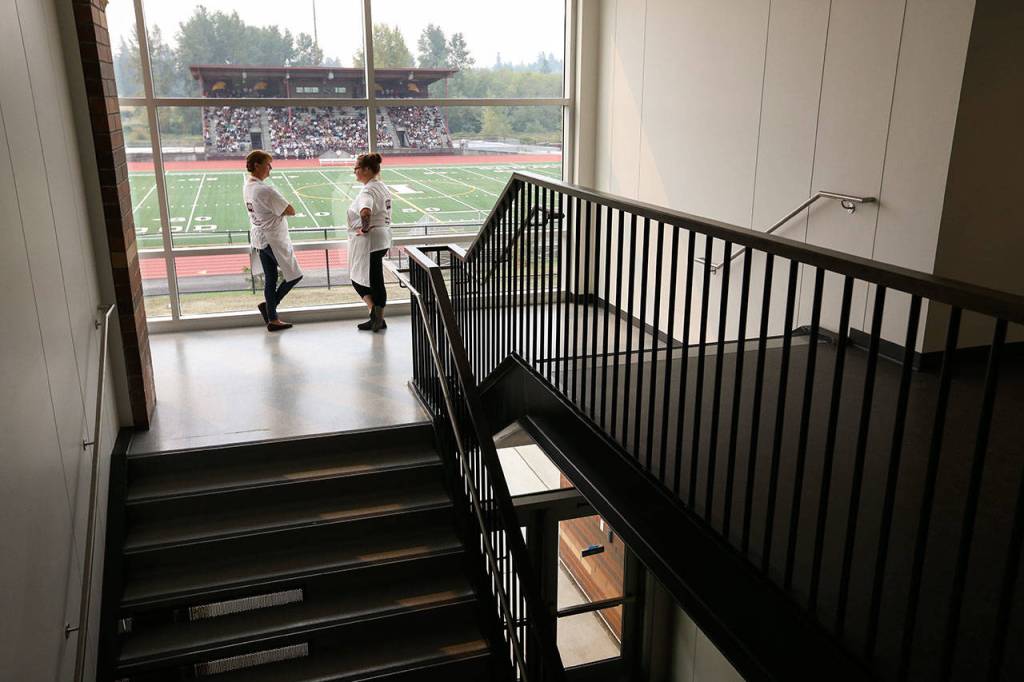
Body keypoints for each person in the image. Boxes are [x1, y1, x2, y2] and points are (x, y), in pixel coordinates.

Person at [243, 150, 303, 332]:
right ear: (257, 165)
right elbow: (290, 210)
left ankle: (273, 318)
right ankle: (270, 309)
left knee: (271, 278)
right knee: (295, 275)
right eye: (268, 164)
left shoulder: (247, 185)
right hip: (273, 239)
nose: (270, 168)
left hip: (260, 238)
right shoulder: (265, 189)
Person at [348, 153, 393, 332]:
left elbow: (365, 211)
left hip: (371, 241)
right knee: (376, 280)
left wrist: (365, 228)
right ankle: (377, 317)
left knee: (359, 279)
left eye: (357, 168)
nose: (355, 172)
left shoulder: (367, 190)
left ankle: (376, 316)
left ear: (367, 170)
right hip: (383, 238)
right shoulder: (381, 186)